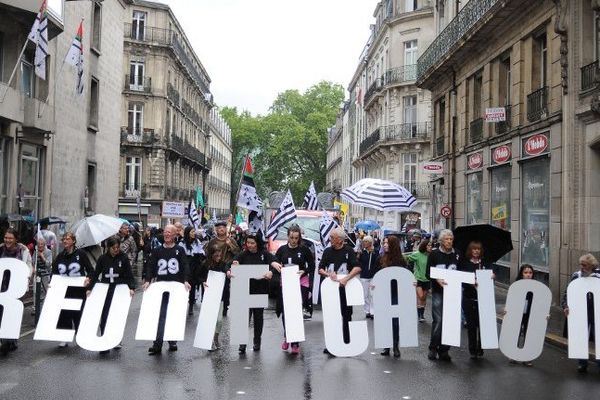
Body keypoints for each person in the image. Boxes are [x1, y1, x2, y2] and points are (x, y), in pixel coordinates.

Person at [143, 224, 191, 355]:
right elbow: (151, 266)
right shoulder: (157, 250)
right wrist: (147, 280)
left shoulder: (179, 250)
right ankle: (157, 343)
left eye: (170, 232)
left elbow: (185, 265)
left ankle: (172, 340)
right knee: (161, 314)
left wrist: (186, 280)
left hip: (176, 287)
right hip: (161, 286)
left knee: (173, 314)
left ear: (175, 235)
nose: (167, 234)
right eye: (165, 232)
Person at [86, 235, 135, 354]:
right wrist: (90, 288)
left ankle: (116, 339)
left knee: (116, 316)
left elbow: (129, 274)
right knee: (105, 315)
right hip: (106, 290)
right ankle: (104, 339)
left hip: (119, 289)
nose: (116, 250)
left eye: (117, 247)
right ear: (108, 248)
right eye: (113, 248)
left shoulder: (123, 258)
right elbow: (96, 273)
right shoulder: (102, 259)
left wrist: (131, 287)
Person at [232, 234, 280, 354]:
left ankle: (257, 341)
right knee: (243, 317)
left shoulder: (264, 254)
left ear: (257, 243)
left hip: (260, 289)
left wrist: (271, 271)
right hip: (245, 289)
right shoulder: (243, 254)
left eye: (252, 243)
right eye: (248, 243)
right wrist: (232, 267)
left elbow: (276, 263)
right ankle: (242, 343)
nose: (250, 245)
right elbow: (231, 264)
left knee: (258, 317)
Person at [318, 227, 361, 356]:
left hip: (345, 289)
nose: (330, 239)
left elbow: (357, 267)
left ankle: (347, 342)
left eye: (332, 237)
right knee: (332, 317)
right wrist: (328, 274)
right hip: (331, 289)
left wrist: (347, 278)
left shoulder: (349, 251)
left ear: (340, 239)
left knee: (346, 316)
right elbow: (320, 269)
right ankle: (332, 343)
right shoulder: (327, 251)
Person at [273, 225, 314, 354]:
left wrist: (304, 270)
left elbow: (312, 265)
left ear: (299, 238)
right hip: (286, 283)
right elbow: (275, 262)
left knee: (296, 311)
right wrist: (275, 265)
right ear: (288, 237)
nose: (294, 240)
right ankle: (287, 337)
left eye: (296, 238)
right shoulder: (282, 250)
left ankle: (295, 342)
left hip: (300, 282)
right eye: (291, 237)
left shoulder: (304, 250)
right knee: (286, 311)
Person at [51, 232, 94, 348]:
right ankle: (64, 336)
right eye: (64, 239)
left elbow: (90, 270)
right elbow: (54, 272)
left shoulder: (81, 254)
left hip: (78, 290)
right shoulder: (60, 256)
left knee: (78, 313)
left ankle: (80, 335)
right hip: (64, 290)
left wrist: (88, 279)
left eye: (68, 239)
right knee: (64, 313)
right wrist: (53, 283)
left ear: (73, 241)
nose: (65, 241)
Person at [561, 253, 600, 373]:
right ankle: (582, 363)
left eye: (584, 265)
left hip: (596, 312)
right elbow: (567, 293)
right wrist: (565, 305)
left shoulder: (598, 277)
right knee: (580, 336)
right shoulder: (576, 276)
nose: (581, 267)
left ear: (591, 265)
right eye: (580, 264)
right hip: (580, 311)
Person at [458, 240, 496, 360]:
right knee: (471, 324)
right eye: (474, 249)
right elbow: (461, 279)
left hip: (483, 298)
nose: (476, 251)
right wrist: (471, 282)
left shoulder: (486, 262)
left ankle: (481, 347)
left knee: (482, 324)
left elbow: (491, 276)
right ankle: (472, 349)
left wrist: (492, 276)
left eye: (478, 249)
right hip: (469, 297)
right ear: (470, 250)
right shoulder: (464, 263)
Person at [426, 229, 460, 361]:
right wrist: (437, 279)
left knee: (450, 321)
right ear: (441, 241)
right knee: (438, 320)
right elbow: (428, 272)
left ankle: (444, 350)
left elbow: (461, 271)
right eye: (447, 239)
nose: (449, 241)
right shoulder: (434, 254)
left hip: (453, 293)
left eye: (451, 239)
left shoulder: (457, 254)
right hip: (438, 291)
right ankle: (433, 348)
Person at [0, 228, 33, 355]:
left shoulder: (23, 250)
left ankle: (10, 341)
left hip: (15, 288)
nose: (7, 240)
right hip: (2, 287)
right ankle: (5, 340)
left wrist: (27, 276)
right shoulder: (1, 249)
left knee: (12, 314)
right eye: (6, 237)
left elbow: (29, 266)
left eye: (10, 238)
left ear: (16, 239)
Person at [376, 235, 408, 358]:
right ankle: (386, 346)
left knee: (395, 322)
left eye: (387, 243)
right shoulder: (380, 259)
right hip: (383, 294)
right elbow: (376, 275)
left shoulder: (401, 260)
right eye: (384, 243)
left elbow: (405, 277)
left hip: (396, 294)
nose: (384, 245)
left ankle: (395, 346)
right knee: (385, 321)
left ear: (393, 245)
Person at [201, 244, 231, 351]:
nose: (218, 258)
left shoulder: (223, 265)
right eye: (216, 255)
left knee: (219, 320)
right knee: (210, 319)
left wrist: (228, 272)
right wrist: (203, 281)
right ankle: (209, 341)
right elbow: (198, 276)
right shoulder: (205, 265)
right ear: (211, 255)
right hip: (209, 295)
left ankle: (216, 337)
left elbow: (227, 271)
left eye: (219, 255)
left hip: (220, 296)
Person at [207, 220, 241, 317]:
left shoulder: (231, 240)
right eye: (219, 228)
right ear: (216, 230)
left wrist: (230, 244)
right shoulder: (212, 241)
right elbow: (208, 254)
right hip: (215, 268)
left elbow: (238, 253)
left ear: (226, 229)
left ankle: (225, 307)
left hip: (226, 267)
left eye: (223, 227)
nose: (221, 229)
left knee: (226, 289)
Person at [506, 264, 536, 366]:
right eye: (526, 272)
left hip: (530, 313)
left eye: (530, 273)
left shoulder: (536, 287)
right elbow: (511, 299)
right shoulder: (516, 285)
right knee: (516, 332)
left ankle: (527, 357)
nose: (528, 275)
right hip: (518, 312)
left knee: (529, 334)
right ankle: (513, 353)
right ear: (521, 274)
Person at [180, 226, 205, 315]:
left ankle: (191, 305)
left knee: (193, 286)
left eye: (194, 231)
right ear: (187, 233)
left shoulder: (197, 242)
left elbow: (201, 252)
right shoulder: (182, 243)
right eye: (192, 231)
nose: (194, 233)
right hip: (186, 266)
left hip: (195, 267)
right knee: (184, 286)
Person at [407, 238, 432, 322]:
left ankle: (422, 314)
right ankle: (419, 315)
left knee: (424, 298)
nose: (430, 247)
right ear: (424, 246)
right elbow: (407, 258)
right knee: (420, 296)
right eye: (428, 245)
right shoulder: (417, 254)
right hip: (418, 278)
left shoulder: (431, 256)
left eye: (431, 245)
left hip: (427, 279)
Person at [358, 235, 379, 320]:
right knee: (365, 294)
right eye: (364, 241)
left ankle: (372, 311)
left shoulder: (375, 251)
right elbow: (358, 263)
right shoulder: (362, 252)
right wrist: (358, 255)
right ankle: (367, 311)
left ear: (370, 243)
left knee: (372, 294)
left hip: (373, 275)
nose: (364, 243)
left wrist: (373, 253)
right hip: (364, 275)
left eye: (366, 241)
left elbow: (378, 262)